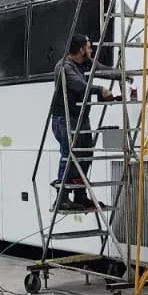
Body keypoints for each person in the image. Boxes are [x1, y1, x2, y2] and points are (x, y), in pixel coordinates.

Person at [50, 33, 115, 210]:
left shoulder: (86, 63)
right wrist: (100, 89)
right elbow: (80, 85)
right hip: (64, 119)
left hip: (81, 118)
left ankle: (80, 196)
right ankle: (61, 197)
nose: (91, 49)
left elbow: (102, 69)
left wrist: (123, 75)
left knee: (85, 156)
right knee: (69, 155)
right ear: (81, 50)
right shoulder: (64, 66)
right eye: (88, 46)